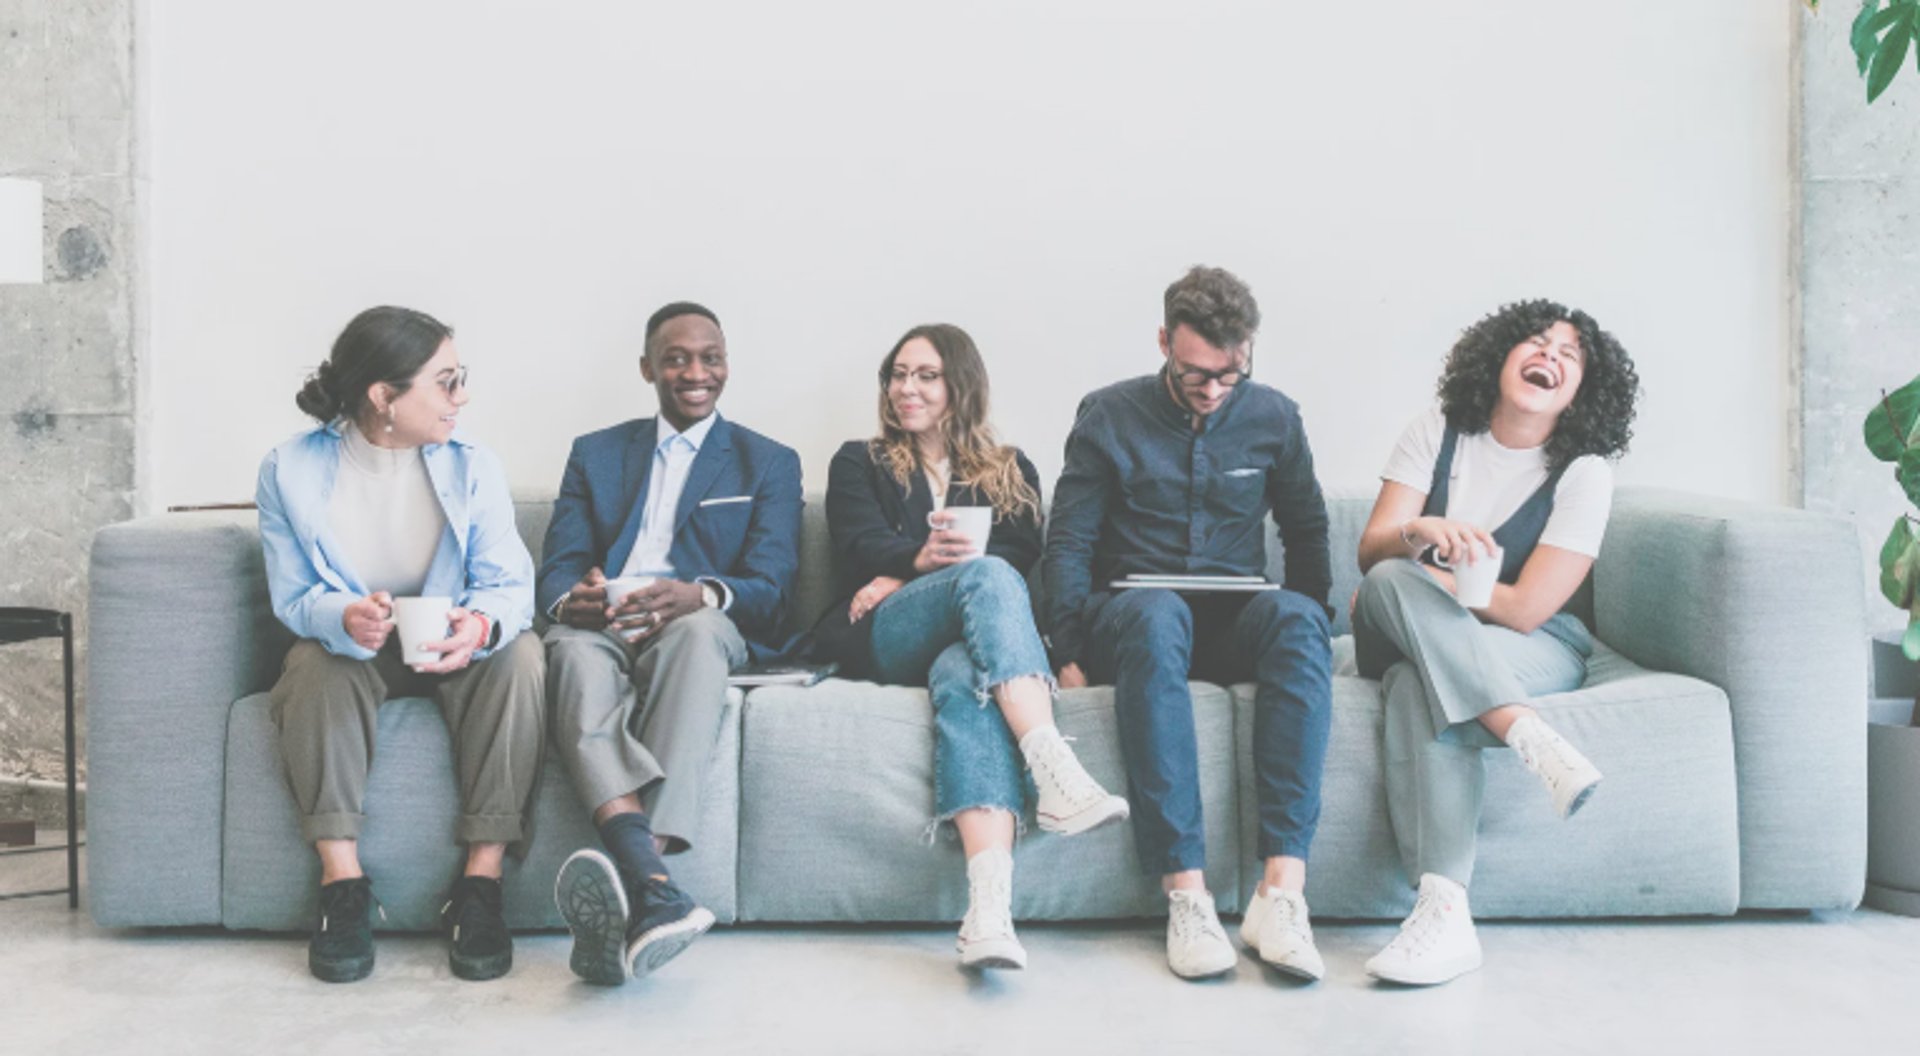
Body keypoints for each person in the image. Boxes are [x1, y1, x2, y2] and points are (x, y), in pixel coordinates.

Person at [1044, 266, 1335, 981]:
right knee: (1153, 609)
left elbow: (1306, 528)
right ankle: (1187, 895)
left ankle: (1281, 894)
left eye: (1228, 374)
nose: (1212, 390)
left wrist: (1316, 618)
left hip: (1235, 616)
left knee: (1299, 622)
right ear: (1163, 343)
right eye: (1194, 373)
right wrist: (1067, 643)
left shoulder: (1275, 417)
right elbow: (1070, 539)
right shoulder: (1108, 415)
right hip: (1135, 621)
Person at [812, 323, 1129, 970]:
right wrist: (916, 562)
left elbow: (1020, 552)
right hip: (888, 633)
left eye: (925, 375)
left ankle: (988, 912)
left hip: (966, 638)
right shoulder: (859, 461)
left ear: (961, 384)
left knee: (965, 672)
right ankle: (1049, 763)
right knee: (986, 576)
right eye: (899, 375)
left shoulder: (1011, 469)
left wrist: (915, 569)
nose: (907, 388)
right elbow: (858, 542)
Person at [1353, 299, 1640, 986]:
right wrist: (1422, 532)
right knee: (1390, 577)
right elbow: (1371, 552)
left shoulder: (1584, 474)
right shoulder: (1436, 431)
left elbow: (1527, 608)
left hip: (1532, 642)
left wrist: (1441, 587)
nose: (1550, 357)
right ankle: (1528, 735)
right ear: (1501, 355)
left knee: (1420, 683)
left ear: (1582, 391)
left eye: (1570, 356)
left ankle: (1444, 912)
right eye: (1538, 343)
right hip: (1398, 623)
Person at [257, 306, 544, 984]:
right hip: (356, 650)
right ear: (384, 397)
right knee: (312, 667)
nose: (462, 397)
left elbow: (510, 586)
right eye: (445, 382)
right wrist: (342, 616)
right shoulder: (289, 470)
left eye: (461, 378)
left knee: (523, 655)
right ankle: (342, 886)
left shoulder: (474, 466)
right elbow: (293, 596)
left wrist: (478, 627)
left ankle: (480, 885)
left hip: (449, 642)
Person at [539, 301, 802, 986]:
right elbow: (557, 569)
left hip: (696, 624)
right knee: (565, 649)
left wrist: (702, 592)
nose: (695, 372)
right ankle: (655, 892)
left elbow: (773, 586)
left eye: (709, 357)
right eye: (677, 358)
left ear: (726, 363)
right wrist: (577, 599)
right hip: (606, 627)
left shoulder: (768, 461)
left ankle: (636, 868)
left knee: (698, 634)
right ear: (648, 368)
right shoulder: (595, 453)